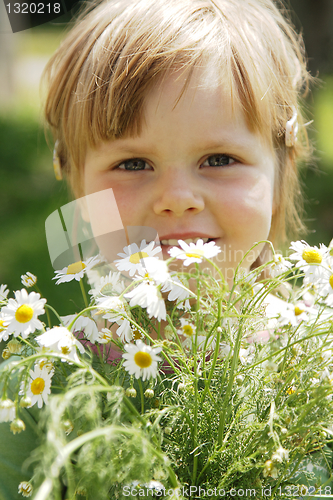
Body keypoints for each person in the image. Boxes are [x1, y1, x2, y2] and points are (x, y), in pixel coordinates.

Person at [1, 0, 325, 498]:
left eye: (219, 158)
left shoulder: (312, 376)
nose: (176, 199)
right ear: (78, 188)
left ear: (281, 174)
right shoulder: (42, 384)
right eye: (133, 164)